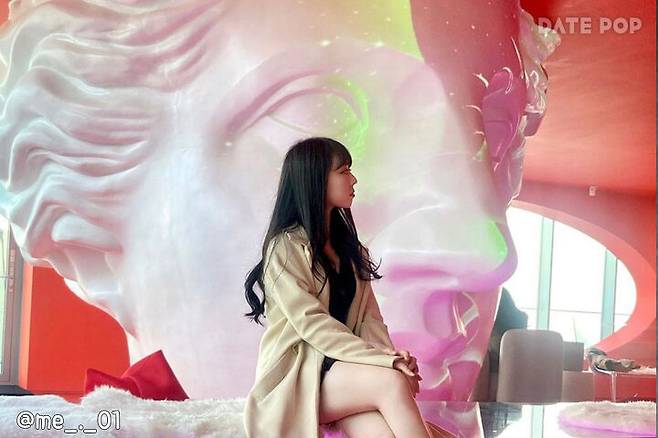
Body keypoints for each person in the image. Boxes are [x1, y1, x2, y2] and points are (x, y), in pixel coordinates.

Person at [243, 137, 453, 437]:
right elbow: (312, 323)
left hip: (348, 376)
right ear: (315, 179)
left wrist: (391, 357)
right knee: (391, 382)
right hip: (301, 379)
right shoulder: (286, 248)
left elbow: (370, 321)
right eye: (343, 171)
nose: (353, 179)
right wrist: (384, 363)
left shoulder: (353, 251)